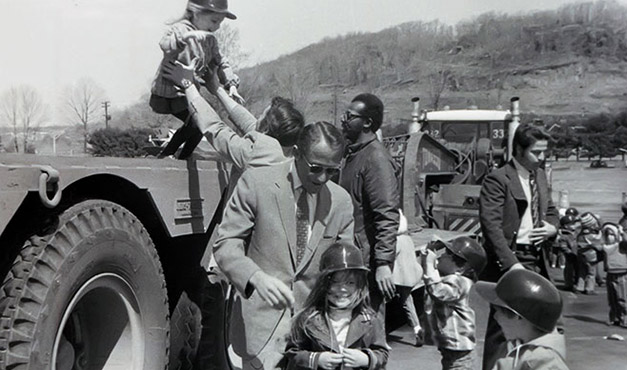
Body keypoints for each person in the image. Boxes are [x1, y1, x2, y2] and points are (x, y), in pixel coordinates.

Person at [213, 121, 355, 370]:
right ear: (297, 153)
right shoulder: (257, 183)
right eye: (316, 168)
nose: (322, 178)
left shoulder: (340, 202)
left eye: (332, 171)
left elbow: (344, 267)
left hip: (315, 336)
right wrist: (255, 277)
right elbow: (226, 242)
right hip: (262, 333)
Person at [479, 123, 559, 370]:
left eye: (545, 152)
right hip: (512, 261)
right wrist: (511, 265)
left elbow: (552, 211)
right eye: (538, 152)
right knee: (502, 329)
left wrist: (552, 228)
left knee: (541, 328)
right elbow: (491, 227)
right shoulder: (498, 179)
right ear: (519, 150)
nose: (543, 158)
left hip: (537, 259)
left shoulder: (540, 176)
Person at [162, 60, 304, 195]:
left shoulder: (251, 154)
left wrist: (188, 85)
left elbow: (214, 128)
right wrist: (216, 88)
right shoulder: (285, 153)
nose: (257, 118)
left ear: (266, 130)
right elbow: (249, 123)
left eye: (261, 115)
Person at [150, 0, 243, 159]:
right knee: (197, 122)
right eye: (214, 21)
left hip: (188, 93)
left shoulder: (210, 40)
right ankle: (167, 154)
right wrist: (186, 37)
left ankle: (182, 157)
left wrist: (231, 84)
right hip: (167, 94)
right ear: (195, 13)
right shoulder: (179, 29)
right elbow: (165, 44)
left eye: (220, 23)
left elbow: (221, 61)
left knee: (201, 125)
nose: (216, 27)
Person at [339, 93, 401, 314]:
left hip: (366, 263)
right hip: (351, 257)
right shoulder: (352, 153)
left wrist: (383, 263)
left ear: (367, 123)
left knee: (366, 325)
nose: (343, 120)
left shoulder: (376, 159)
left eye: (349, 116)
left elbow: (387, 214)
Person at [285, 243, 389, 370]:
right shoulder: (308, 318)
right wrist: (316, 359)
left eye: (350, 282)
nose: (342, 289)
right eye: (335, 282)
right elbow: (293, 352)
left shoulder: (370, 320)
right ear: (324, 285)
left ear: (360, 285)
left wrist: (366, 359)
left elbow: (382, 353)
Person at [476, 269, 568, 370]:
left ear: (518, 316)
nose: (496, 317)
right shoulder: (517, 343)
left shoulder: (542, 361)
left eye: (500, 312)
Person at [420, 236, 487, 370]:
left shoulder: (461, 282)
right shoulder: (450, 278)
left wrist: (428, 265)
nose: (442, 255)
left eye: (448, 255)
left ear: (461, 268)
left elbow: (438, 291)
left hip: (461, 353)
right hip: (452, 349)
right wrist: (426, 259)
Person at [392, 209, 424, 346]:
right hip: (410, 276)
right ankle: (417, 328)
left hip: (398, 277)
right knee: (408, 303)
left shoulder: (396, 241)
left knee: (380, 301)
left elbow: (390, 257)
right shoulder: (408, 239)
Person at [601, 222, 627, 327]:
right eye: (607, 234)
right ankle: (614, 318)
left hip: (622, 274)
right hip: (610, 273)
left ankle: (625, 318)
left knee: (623, 298)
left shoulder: (621, 245)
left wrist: (622, 233)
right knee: (612, 299)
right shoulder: (605, 247)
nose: (609, 237)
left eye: (612, 235)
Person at [575, 212, 603, 294]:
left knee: (582, 272)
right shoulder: (593, 236)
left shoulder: (580, 235)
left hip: (581, 255)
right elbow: (599, 246)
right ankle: (589, 289)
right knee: (591, 273)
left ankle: (579, 287)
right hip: (591, 256)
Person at [556, 215, 581, 292]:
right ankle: (569, 284)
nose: (575, 225)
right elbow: (563, 247)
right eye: (572, 224)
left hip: (578, 255)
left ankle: (577, 284)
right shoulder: (564, 236)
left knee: (578, 270)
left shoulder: (577, 233)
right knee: (569, 270)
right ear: (566, 226)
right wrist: (569, 252)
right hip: (570, 256)